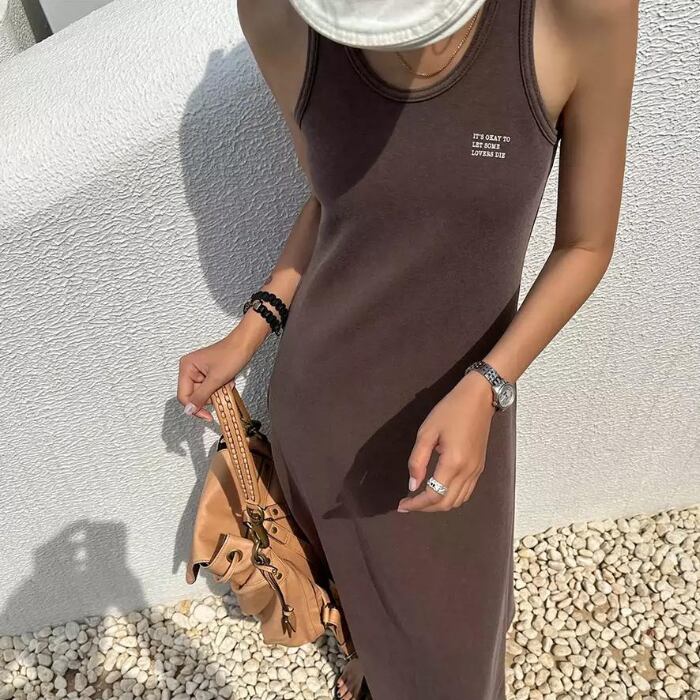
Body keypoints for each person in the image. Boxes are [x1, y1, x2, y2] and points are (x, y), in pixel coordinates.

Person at [177, 0, 639, 697]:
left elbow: (586, 245)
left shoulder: (579, 14)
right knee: (370, 602)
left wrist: (489, 383)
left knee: (458, 643)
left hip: (462, 412)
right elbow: (334, 200)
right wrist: (251, 331)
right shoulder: (276, 15)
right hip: (324, 414)